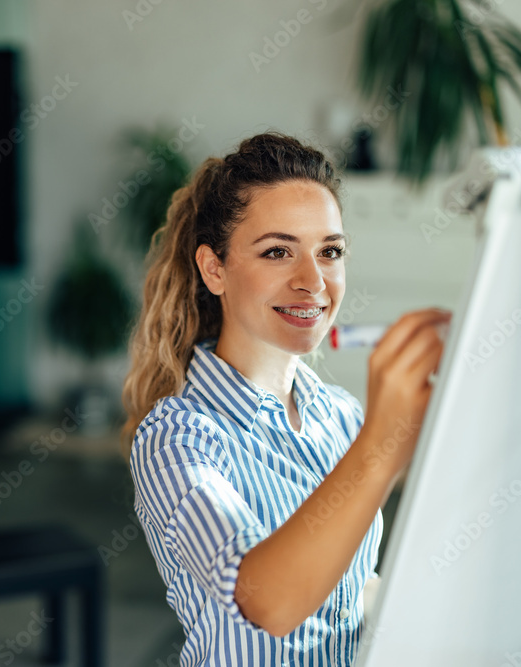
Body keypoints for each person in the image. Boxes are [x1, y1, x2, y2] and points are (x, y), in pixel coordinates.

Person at [121, 132, 451, 666]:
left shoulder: (341, 414)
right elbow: (266, 602)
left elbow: (351, 591)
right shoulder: (177, 439)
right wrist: (383, 447)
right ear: (215, 269)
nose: (313, 282)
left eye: (330, 252)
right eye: (278, 251)